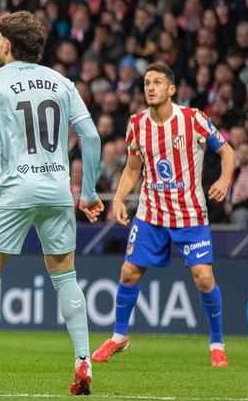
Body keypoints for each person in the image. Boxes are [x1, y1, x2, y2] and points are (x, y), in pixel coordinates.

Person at [0, 11, 104, 396]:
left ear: (8, 45)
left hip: (14, 187)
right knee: (65, 274)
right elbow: (92, 137)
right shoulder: (62, 83)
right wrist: (88, 191)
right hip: (56, 188)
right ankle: (83, 360)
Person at [93, 64, 235, 368]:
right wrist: (118, 198)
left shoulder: (193, 119)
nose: (150, 87)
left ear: (172, 89)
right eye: (146, 83)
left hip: (190, 215)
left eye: (157, 82)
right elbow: (133, 168)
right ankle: (119, 336)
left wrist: (223, 181)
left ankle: (217, 343)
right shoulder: (136, 124)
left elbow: (227, 152)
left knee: (204, 277)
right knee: (128, 272)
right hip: (151, 214)